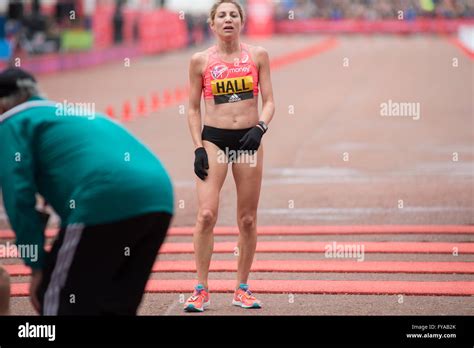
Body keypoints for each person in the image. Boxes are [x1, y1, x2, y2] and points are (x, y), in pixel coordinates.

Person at [0, 67, 174, 315]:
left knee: (56, 299)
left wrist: (36, 265)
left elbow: (18, 197)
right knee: (116, 305)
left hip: (102, 198)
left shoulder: (11, 123)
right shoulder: (68, 114)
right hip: (159, 197)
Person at [185, 0, 275, 312]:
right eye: (221, 15)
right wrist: (198, 146)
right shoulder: (200, 61)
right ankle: (201, 289)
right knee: (206, 214)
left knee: (247, 219)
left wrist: (260, 128)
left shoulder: (258, 55)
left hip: (249, 141)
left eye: (233, 15)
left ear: (241, 21)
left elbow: (270, 102)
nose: (227, 20)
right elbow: (193, 108)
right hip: (215, 140)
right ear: (211, 24)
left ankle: (241, 289)